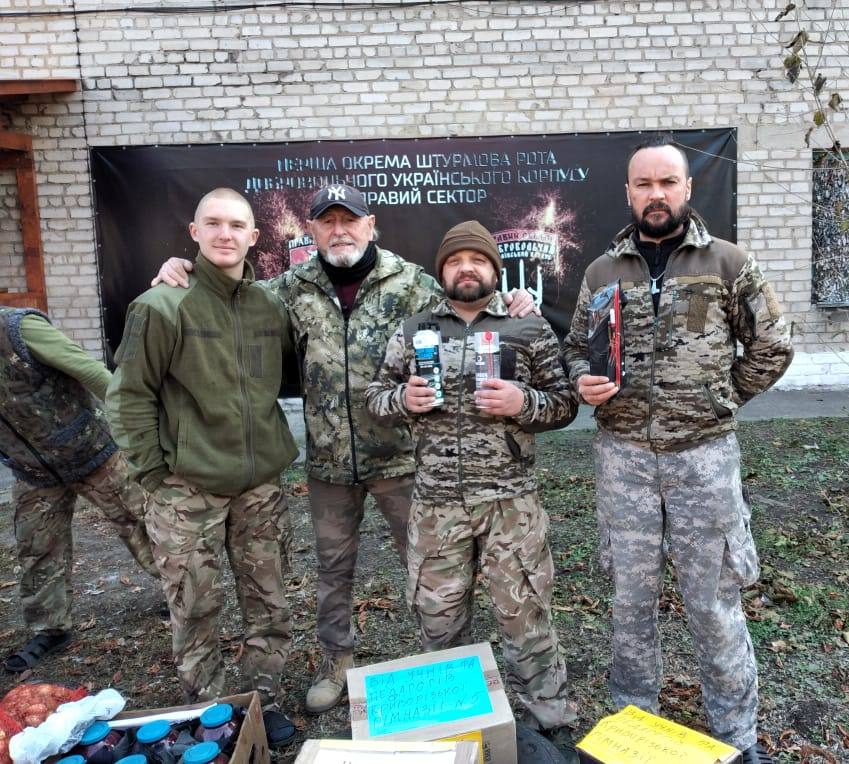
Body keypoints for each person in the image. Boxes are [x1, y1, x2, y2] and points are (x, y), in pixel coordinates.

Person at [152, 184, 535, 714]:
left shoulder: (410, 284)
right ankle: (338, 664)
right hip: (330, 464)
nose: (339, 231)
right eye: (326, 222)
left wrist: (513, 300)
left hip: (403, 458)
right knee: (333, 571)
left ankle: (447, 670)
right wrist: (181, 270)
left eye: (349, 221)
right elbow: (229, 293)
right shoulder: (289, 288)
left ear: (370, 224)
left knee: (429, 569)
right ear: (310, 231)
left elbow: (468, 304)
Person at [560, 136, 793, 764]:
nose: (656, 195)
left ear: (687, 190)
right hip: (624, 459)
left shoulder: (727, 263)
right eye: (644, 184)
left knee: (714, 604)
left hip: (704, 460)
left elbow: (774, 346)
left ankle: (737, 741)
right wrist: (582, 379)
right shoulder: (602, 272)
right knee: (630, 606)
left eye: (668, 183)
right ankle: (633, 733)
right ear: (629, 193)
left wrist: (721, 397)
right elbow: (576, 349)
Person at [366, 220, 579, 753]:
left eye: (477, 260)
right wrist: (401, 401)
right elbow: (375, 396)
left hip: (511, 503)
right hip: (436, 504)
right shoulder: (413, 328)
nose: (467, 268)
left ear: (493, 268)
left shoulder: (528, 329)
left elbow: (565, 403)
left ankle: (551, 719)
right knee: (439, 618)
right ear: (442, 271)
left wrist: (522, 403)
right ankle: (452, 724)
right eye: (455, 260)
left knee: (525, 613)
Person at [107, 188, 299, 746]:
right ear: (193, 233)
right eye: (212, 224)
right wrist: (154, 474)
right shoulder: (161, 305)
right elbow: (128, 397)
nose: (224, 234)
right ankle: (215, 713)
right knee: (195, 604)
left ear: (254, 237)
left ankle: (263, 700)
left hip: (259, 485)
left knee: (268, 600)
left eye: (237, 225)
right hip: (186, 489)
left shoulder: (268, 305)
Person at [0, 307, 159, 673]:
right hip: (33, 469)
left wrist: (135, 424)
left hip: (92, 450)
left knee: (142, 520)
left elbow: (90, 371)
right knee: (37, 547)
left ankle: (178, 592)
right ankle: (49, 627)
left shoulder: (19, 329)